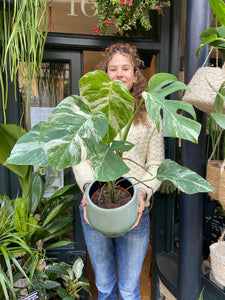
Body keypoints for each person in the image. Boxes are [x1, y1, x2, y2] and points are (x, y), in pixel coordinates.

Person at [73, 43, 165, 300]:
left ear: (136, 75)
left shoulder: (148, 115)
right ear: (105, 74)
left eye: (126, 68)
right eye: (113, 69)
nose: (120, 73)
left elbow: (156, 164)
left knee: (128, 289)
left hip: (134, 208)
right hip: (96, 205)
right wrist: (88, 185)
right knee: (104, 287)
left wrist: (143, 193)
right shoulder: (91, 112)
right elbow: (80, 156)